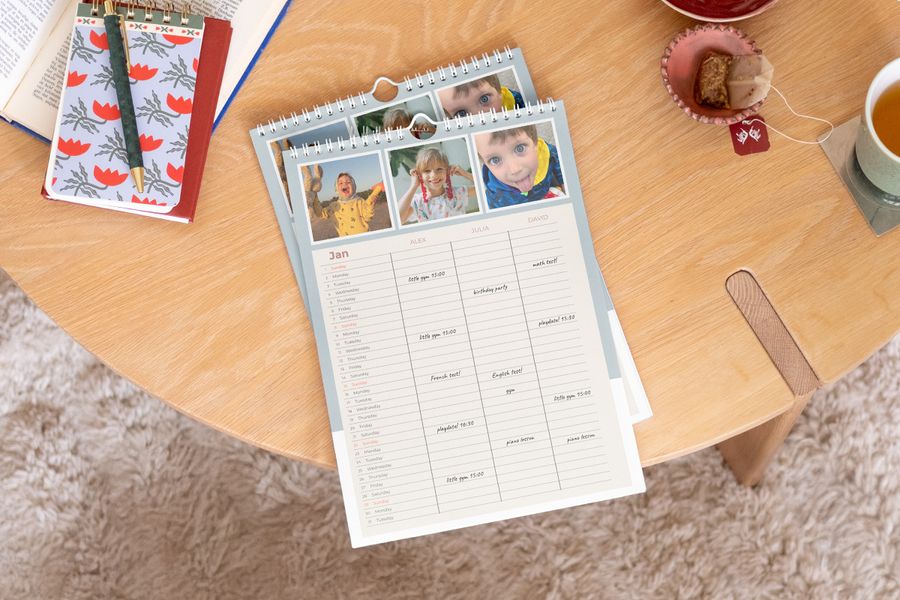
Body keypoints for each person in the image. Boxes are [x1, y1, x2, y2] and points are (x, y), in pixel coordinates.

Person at [474, 125, 565, 209]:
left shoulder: (546, 152)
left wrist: (564, 183)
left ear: (535, 142)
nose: (515, 170)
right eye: (495, 160)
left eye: (520, 148)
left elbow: (557, 160)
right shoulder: (496, 195)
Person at [397, 147, 474, 223]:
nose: (434, 175)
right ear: (420, 175)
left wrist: (465, 173)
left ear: (447, 171)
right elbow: (397, 219)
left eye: (439, 169)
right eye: (427, 171)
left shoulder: (458, 193)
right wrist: (413, 186)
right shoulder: (417, 202)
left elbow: (481, 187)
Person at [311, 172, 384, 237]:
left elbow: (367, 217)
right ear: (337, 189)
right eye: (340, 183)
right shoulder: (334, 206)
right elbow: (320, 213)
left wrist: (376, 193)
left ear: (354, 187)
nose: (344, 184)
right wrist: (314, 195)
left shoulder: (359, 201)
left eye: (348, 182)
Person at [436, 74, 525, 119]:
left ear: (497, 89)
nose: (479, 116)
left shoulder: (517, 101)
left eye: (484, 99)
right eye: (461, 113)